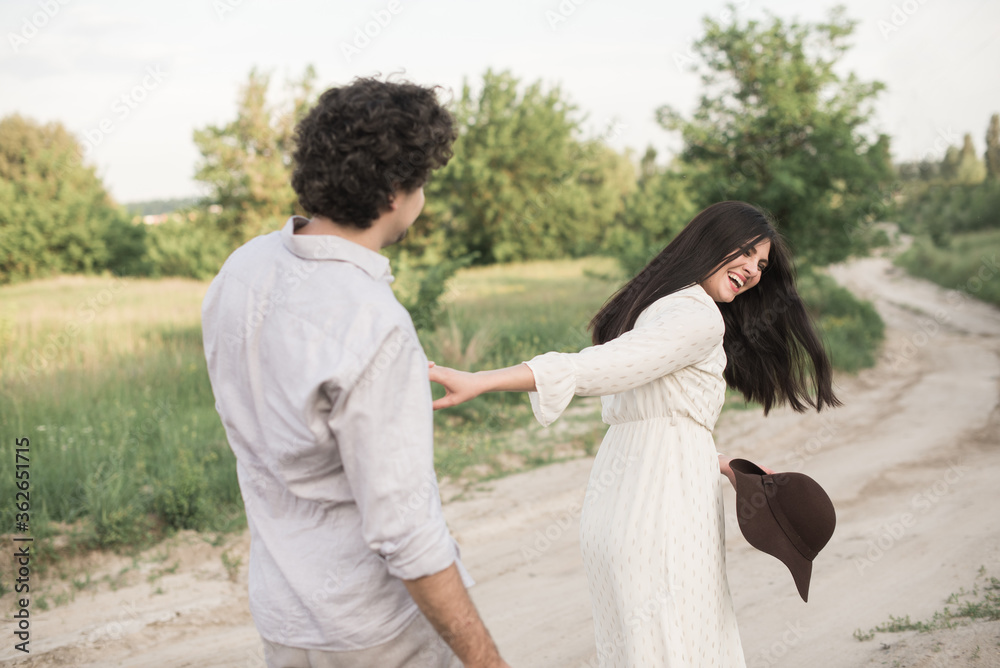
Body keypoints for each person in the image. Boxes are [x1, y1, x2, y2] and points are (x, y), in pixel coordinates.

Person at [428, 201, 840, 667]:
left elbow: (655, 420)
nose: (752, 270)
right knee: (680, 647)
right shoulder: (698, 316)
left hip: (622, 505)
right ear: (711, 242)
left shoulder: (660, 308)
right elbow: (602, 367)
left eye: (762, 265)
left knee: (643, 649)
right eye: (745, 252)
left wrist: (719, 462)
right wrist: (483, 379)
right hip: (662, 514)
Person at [202, 77, 509, 668]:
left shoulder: (243, 267)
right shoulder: (373, 323)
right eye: (422, 182)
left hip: (283, 616)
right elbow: (407, 534)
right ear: (395, 193)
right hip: (373, 631)